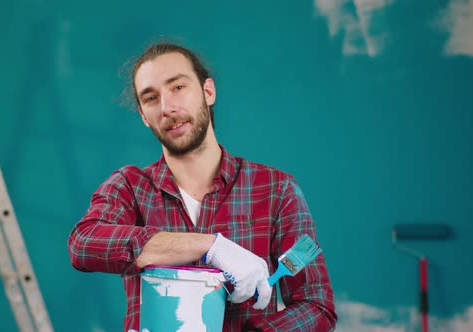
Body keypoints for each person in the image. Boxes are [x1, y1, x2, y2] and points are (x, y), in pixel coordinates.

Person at [68, 42, 337, 332]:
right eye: (150, 98)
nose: (167, 107)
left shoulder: (275, 189)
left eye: (178, 87)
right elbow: (84, 244)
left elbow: (317, 307)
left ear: (208, 91)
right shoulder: (130, 187)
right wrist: (210, 246)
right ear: (144, 117)